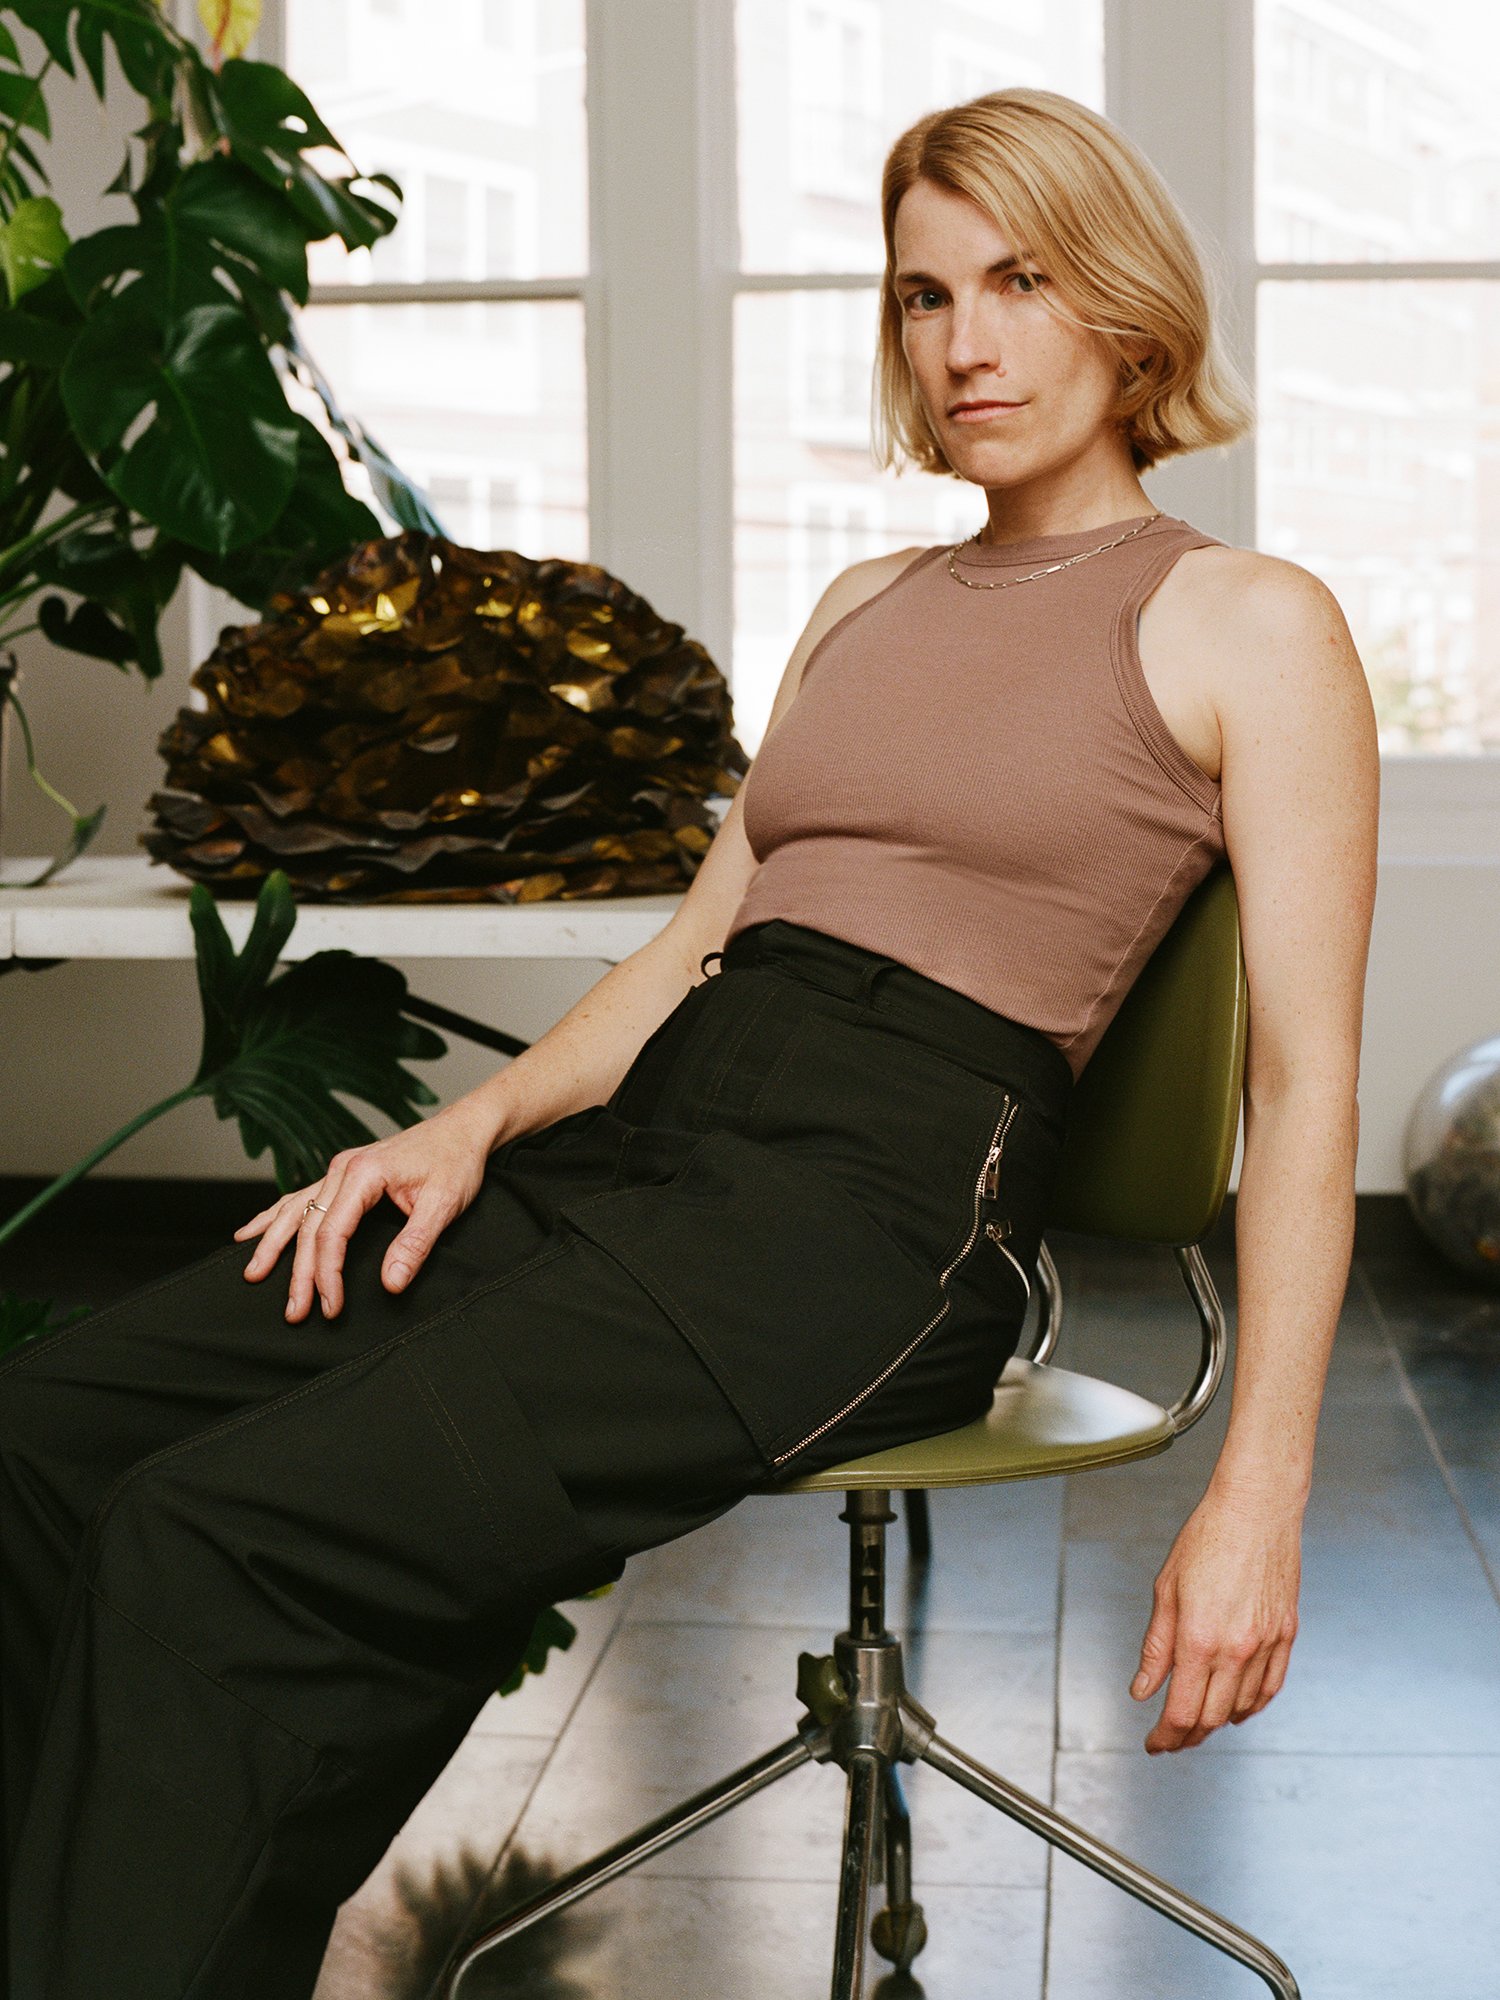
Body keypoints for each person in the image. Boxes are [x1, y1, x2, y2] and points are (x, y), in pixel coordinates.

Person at [0, 85, 1379, 1999]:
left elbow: (1308, 1090)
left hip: (883, 1210)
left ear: (1127, 307)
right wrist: (465, 1131)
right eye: (919, 295)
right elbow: (691, 950)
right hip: (662, 1143)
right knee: (57, 1438)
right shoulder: (864, 604)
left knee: (219, 1537)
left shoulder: (1249, 623)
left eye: (1018, 280)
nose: (963, 341)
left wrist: (1262, 1496)